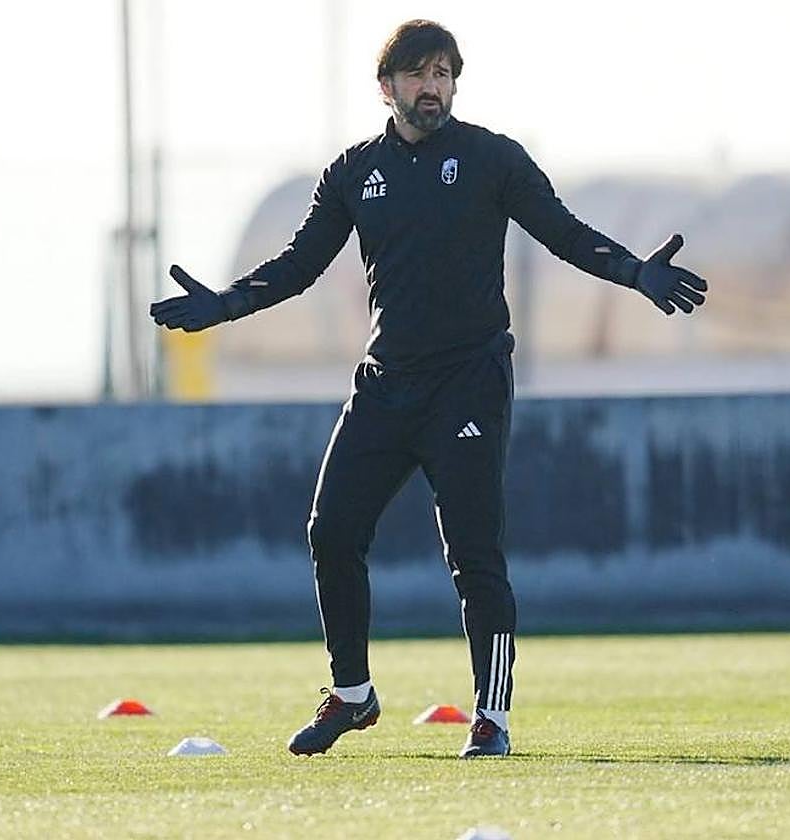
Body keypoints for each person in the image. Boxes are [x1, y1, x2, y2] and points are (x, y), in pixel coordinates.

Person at [150, 19, 707, 759]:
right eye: (417, 74)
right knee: (332, 530)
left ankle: (492, 717)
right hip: (385, 386)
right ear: (388, 89)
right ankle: (352, 694)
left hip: (468, 385)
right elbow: (298, 264)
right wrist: (224, 305)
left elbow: (565, 232)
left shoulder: (491, 159)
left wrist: (637, 271)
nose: (432, 86)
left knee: (474, 554)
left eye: (443, 72)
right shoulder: (354, 172)